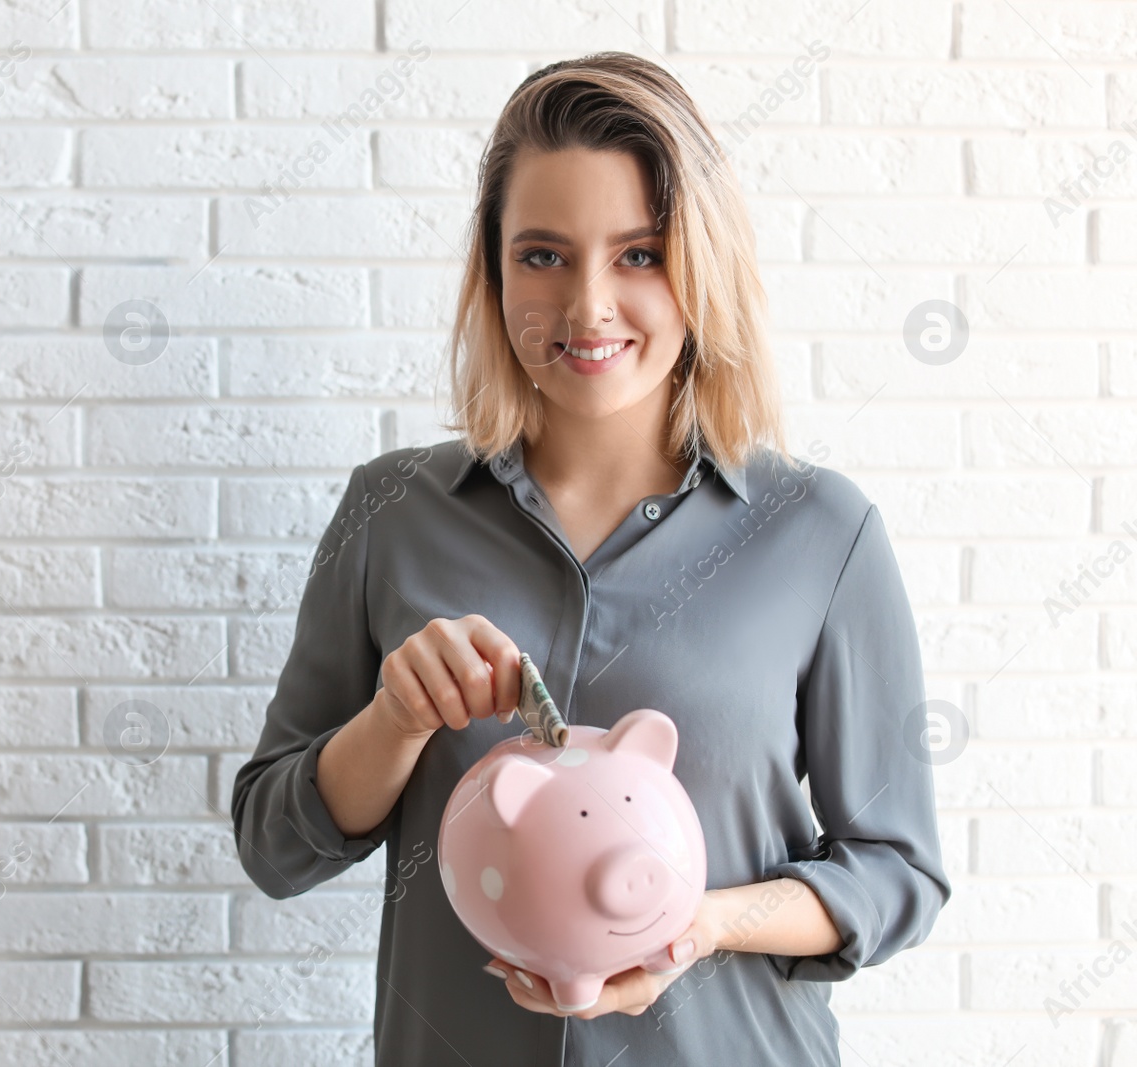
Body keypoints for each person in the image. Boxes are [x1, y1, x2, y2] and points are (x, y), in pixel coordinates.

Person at [231, 51, 950, 1066]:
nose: (587, 309)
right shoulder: (391, 513)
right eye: (542, 255)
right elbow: (272, 845)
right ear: (492, 271)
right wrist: (393, 721)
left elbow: (896, 872)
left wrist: (700, 921)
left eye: (639, 255)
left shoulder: (820, 533)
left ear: (702, 267)